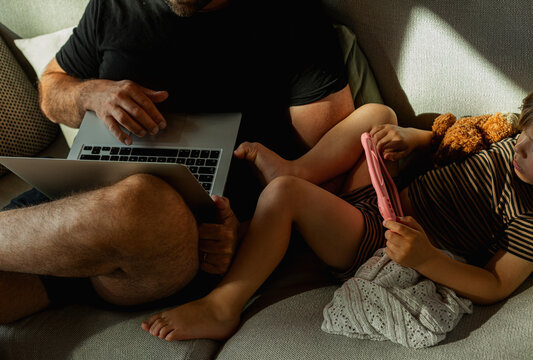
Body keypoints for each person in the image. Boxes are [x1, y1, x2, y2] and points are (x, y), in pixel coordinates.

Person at [0, 0, 357, 323]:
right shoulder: (114, 5)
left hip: (183, 238)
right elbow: (51, 89)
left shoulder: (292, 18)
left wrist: (246, 234)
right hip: (66, 218)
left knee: (142, 202)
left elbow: (328, 173)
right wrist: (88, 94)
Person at [141, 89, 533, 342]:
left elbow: (496, 284)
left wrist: (426, 259)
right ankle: (299, 169)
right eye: (524, 133)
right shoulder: (512, 137)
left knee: (284, 195)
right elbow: (449, 138)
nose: (519, 147)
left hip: (386, 240)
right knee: (376, 116)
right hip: (385, 196)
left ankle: (223, 305)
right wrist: (410, 139)